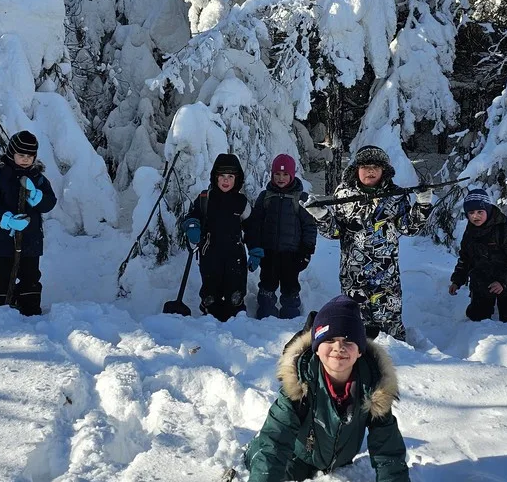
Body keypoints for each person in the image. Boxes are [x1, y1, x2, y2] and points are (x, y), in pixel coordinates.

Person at [237, 294, 411, 482]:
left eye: (348, 341)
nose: (339, 348)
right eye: (330, 340)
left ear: (360, 350)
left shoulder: (373, 387)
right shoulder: (300, 385)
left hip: (339, 457)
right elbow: (274, 443)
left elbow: (387, 450)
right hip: (298, 456)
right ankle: (250, 452)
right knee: (271, 461)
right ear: (317, 347)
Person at [306, 144, 432, 340]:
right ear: (356, 169)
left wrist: (423, 204)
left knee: (389, 328)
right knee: (356, 327)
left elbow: (409, 227)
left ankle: (399, 363)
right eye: (365, 166)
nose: (370, 170)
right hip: (353, 276)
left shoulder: (396, 195)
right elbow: (335, 231)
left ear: (384, 170)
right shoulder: (344, 194)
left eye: (376, 166)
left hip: (387, 277)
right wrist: (321, 215)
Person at [0, 130, 57, 313]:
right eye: (21, 155)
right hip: (2, 239)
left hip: (30, 239)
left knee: (30, 276)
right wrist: (6, 219)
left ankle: (30, 311)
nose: (25, 159)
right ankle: (1, 310)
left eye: (30, 156)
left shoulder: (38, 178)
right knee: (2, 276)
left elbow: (50, 202)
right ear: (11, 153)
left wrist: (39, 198)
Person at [245, 153, 318, 320]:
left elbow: (309, 226)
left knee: (290, 285)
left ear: (292, 175)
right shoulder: (265, 197)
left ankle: (291, 316)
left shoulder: (301, 198)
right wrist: (255, 248)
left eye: (285, 174)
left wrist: (307, 251)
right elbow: (255, 224)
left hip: (292, 254)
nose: (281, 178)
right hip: (268, 252)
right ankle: (265, 314)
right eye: (277, 174)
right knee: (267, 284)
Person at [181, 153, 251, 321]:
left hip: (235, 253)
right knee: (211, 284)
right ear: (215, 177)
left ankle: (236, 310)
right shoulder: (205, 198)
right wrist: (192, 226)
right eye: (222, 176)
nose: (226, 180)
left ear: (237, 179)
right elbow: (192, 215)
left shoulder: (241, 202)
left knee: (235, 285)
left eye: (230, 176)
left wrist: (255, 250)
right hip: (210, 252)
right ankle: (210, 307)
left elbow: (252, 227)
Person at [448, 186, 507, 322]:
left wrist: (503, 282)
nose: (475, 216)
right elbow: (465, 259)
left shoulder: (505, 231)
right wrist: (457, 280)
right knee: (476, 319)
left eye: (480, 211)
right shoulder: (470, 234)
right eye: (471, 212)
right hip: (481, 282)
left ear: (488, 210)